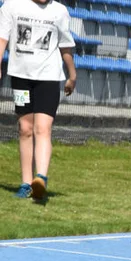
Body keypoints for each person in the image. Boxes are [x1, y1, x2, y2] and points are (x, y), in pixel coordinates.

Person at [0, 0, 76, 202]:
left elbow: (65, 46)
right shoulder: (12, 6)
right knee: (25, 128)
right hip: (20, 77)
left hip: (49, 78)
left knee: (43, 128)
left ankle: (40, 179)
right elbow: (2, 39)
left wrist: (72, 75)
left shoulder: (59, 11)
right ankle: (26, 184)